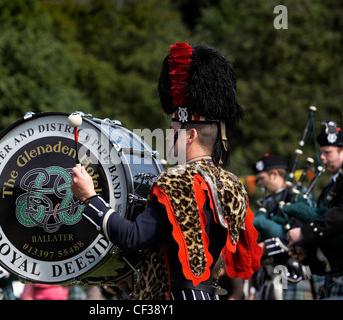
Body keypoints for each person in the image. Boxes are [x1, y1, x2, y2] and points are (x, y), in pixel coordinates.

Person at [71, 43, 262, 300]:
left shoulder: (177, 182)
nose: (169, 134)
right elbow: (174, 247)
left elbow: (132, 237)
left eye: (174, 130)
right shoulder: (231, 184)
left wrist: (89, 198)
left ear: (190, 134)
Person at [286, 122, 343, 299]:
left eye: (328, 153)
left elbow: (339, 216)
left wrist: (304, 232)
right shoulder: (330, 187)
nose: (323, 158)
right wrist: (308, 252)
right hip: (331, 275)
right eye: (322, 152)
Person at [251, 154, 313, 300]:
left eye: (262, 178)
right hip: (267, 276)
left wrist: (266, 247)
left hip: (292, 274)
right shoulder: (267, 202)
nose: (259, 183)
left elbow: (302, 235)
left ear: (274, 174)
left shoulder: (298, 196)